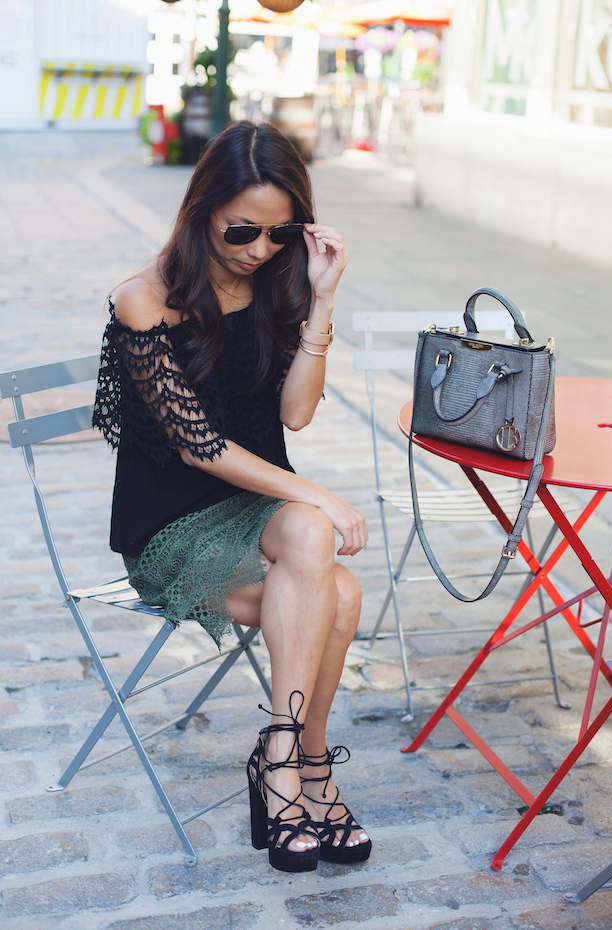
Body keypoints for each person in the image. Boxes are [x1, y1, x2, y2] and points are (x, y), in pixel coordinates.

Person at [92, 120, 371, 874]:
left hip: (261, 517)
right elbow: (198, 447)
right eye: (241, 229)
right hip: (173, 528)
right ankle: (305, 769)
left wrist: (320, 302)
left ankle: (284, 761)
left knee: (315, 550)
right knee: (336, 592)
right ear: (200, 209)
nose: (257, 248)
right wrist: (318, 494)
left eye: (279, 234)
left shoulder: (274, 280)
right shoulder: (142, 301)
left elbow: (295, 415)